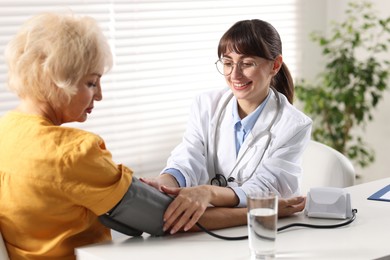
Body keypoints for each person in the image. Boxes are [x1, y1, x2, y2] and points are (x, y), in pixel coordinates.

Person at [141, 19, 312, 234]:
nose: (235, 75)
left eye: (247, 63)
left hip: (269, 231)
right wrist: (163, 182)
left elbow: (264, 190)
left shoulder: (294, 125)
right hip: (218, 229)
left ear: (275, 65)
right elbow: (189, 157)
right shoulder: (206, 105)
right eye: (228, 63)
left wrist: (208, 193)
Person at [0, 13, 139, 260]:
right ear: (57, 80)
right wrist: (232, 206)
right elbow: (163, 217)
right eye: (91, 83)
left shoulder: (5, 131)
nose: (99, 96)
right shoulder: (73, 153)